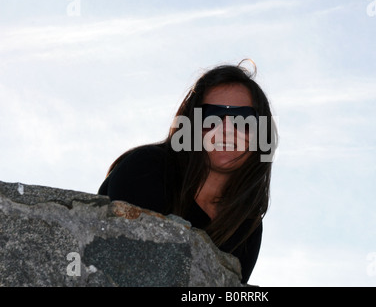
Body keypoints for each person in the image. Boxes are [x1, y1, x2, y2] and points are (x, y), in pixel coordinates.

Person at [98, 60, 278, 284]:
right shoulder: (146, 169)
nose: (225, 130)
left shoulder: (246, 226)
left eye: (243, 119)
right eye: (211, 116)